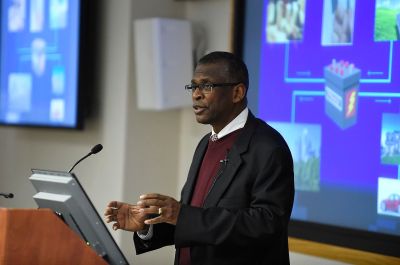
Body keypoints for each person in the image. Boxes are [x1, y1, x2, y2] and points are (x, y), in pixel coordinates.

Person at [104, 51, 295, 265]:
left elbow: (266, 225)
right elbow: (195, 220)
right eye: (193, 86)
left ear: (237, 92)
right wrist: (148, 226)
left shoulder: (268, 148)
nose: (196, 94)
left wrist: (181, 215)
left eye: (206, 86)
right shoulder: (206, 143)